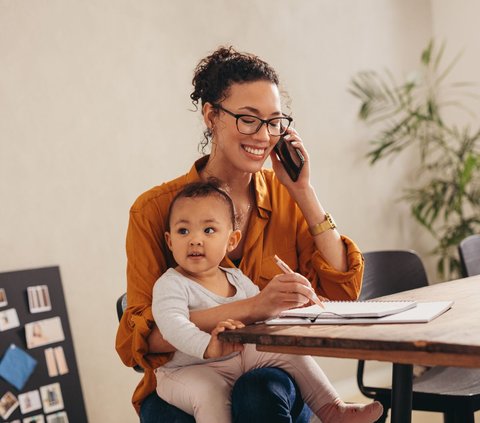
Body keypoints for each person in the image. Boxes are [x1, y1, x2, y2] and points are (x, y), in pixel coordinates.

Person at [115, 45, 365, 422]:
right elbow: (144, 340)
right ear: (211, 116)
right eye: (248, 119)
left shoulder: (287, 196)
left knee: (259, 392)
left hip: (267, 376)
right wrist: (252, 308)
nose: (263, 135)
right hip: (188, 380)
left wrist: (304, 192)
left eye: (274, 121)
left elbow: (342, 292)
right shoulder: (153, 211)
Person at [152, 180, 383, 423]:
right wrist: (207, 346)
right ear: (169, 241)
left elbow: (265, 314)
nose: (195, 240)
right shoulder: (171, 284)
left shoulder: (236, 279)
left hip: (236, 359)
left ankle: (333, 409)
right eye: (183, 231)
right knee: (211, 392)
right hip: (188, 371)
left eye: (208, 230)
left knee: (287, 352)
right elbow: (171, 326)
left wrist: (294, 305)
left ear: (231, 241)